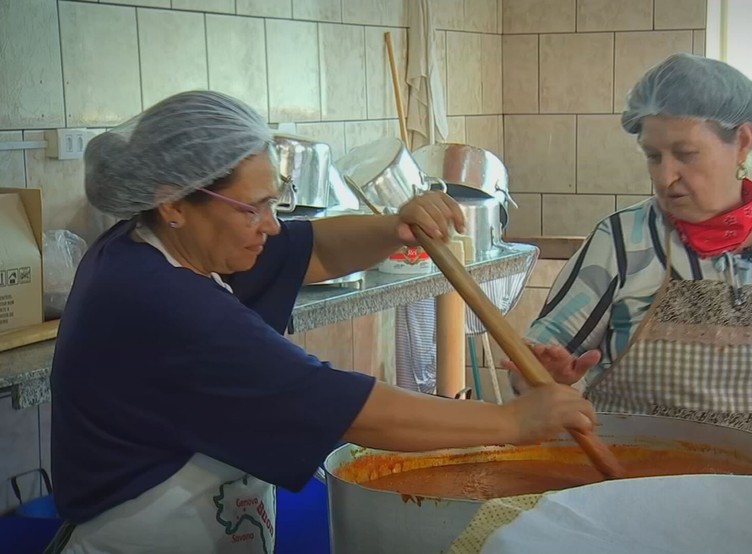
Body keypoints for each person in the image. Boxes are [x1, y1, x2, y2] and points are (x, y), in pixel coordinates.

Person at [47, 90, 597, 553]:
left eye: (275, 202)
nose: (273, 226)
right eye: (253, 207)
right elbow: (350, 408)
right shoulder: (158, 300)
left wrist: (393, 229)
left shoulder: (164, 244)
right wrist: (512, 423)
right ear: (173, 202)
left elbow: (315, 252)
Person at [506, 53, 752, 474]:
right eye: (653, 156)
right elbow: (528, 375)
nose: (666, 177)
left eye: (686, 154)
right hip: (638, 504)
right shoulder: (623, 243)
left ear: (743, 142)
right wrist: (541, 376)